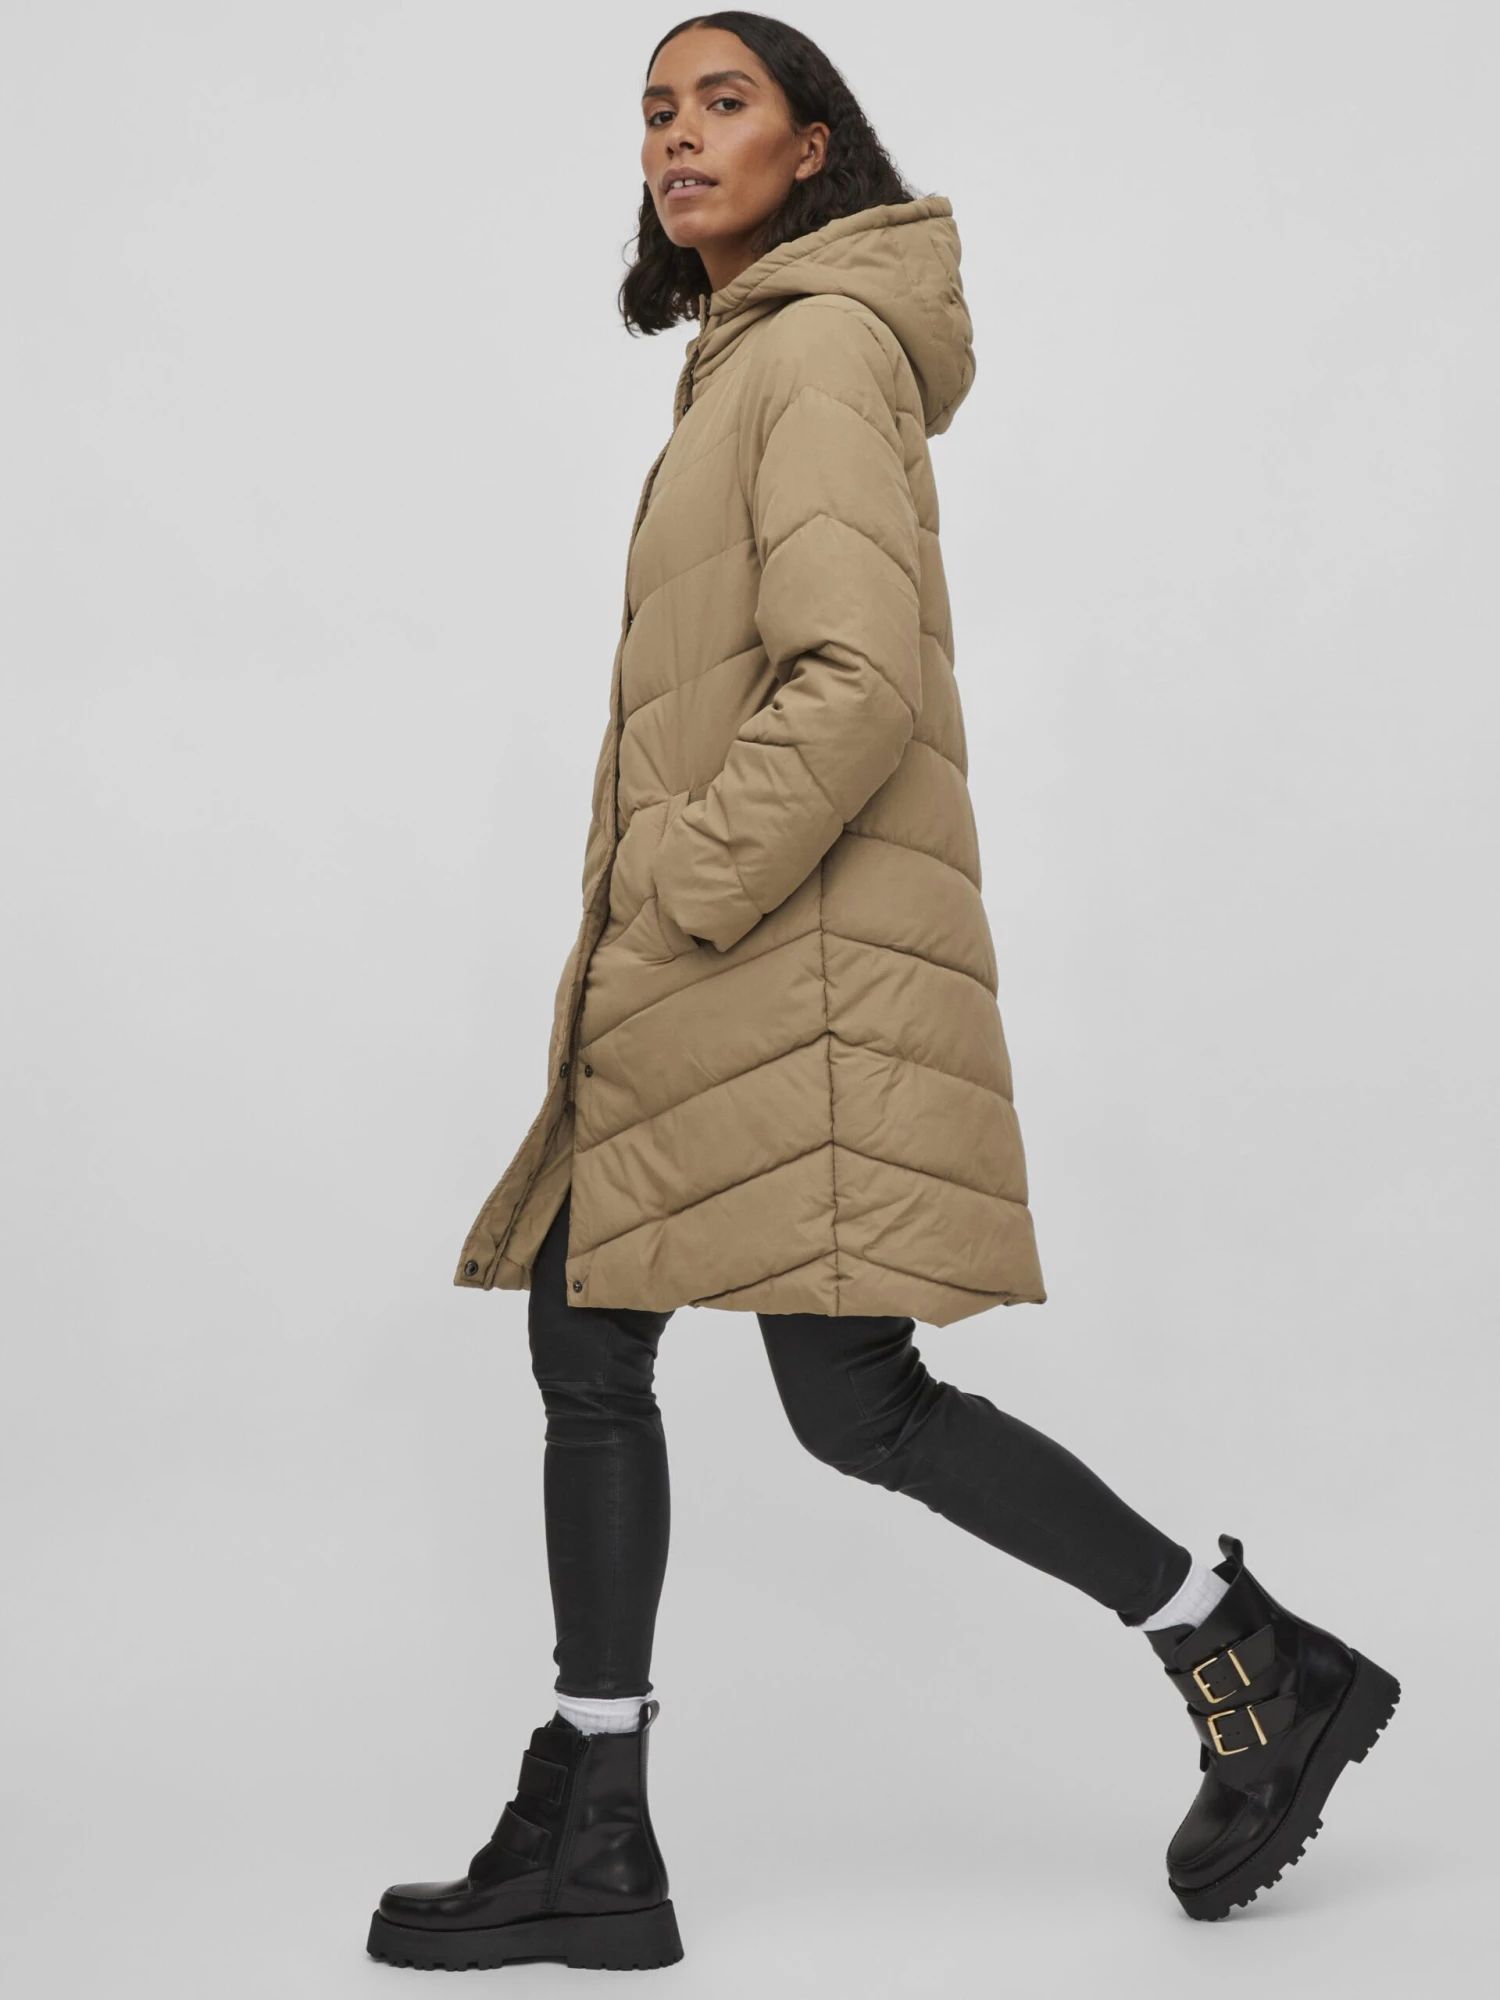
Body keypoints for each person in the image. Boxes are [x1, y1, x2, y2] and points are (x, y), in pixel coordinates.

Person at [366, 11, 1399, 1973]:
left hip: (771, 965)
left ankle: (619, 1825)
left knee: (745, 1375)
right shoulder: (750, 354)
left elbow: (852, 679)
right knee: (747, 1378)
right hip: (744, 975)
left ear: (814, 146)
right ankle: (1223, 1661)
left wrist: (681, 878)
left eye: (723, 103)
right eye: (655, 112)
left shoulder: (820, 346)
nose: (678, 137)